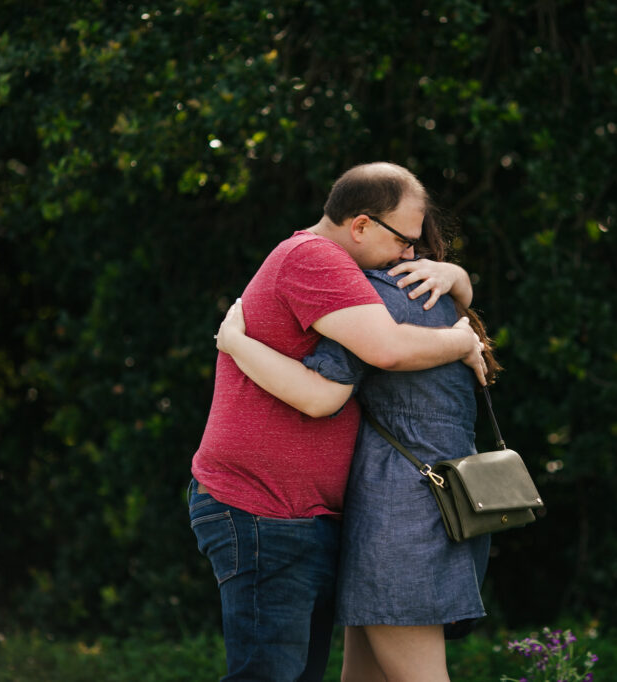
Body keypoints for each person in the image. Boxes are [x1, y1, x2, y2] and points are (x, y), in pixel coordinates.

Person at [188, 162, 486, 682]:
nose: (412, 255)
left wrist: (457, 276)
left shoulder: (351, 273)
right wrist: (463, 339)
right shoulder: (316, 259)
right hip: (265, 506)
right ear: (362, 225)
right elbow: (378, 356)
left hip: (305, 515)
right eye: (404, 240)